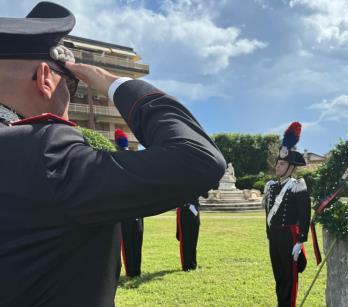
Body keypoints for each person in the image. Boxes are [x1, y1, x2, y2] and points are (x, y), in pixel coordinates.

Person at [0, 2, 226, 306]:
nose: (72, 95)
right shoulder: (45, 151)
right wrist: (113, 83)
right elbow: (199, 159)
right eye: (73, 86)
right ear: (45, 78)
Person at [263, 122, 311, 307]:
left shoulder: (297, 185)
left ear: (291, 167)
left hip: (289, 236)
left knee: (290, 277)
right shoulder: (271, 186)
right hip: (274, 236)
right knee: (279, 275)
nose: (278, 166)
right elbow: (267, 213)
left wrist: (300, 240)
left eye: (282, 163)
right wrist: (268, 234)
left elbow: (305, 214)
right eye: (278, 162)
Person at [115, 129, 144, 277]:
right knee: (137, 240)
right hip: (138, 208)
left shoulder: (115, 159)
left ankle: (131, 271)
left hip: (125, 208)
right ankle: (137, 270)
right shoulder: (137, 159)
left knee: (127, 242)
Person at [176, 196, 202, 271]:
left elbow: (205, 195)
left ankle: (193, 264)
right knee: (185, 240)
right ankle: (186, 265)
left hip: (195, 211)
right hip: (184, 210)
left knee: (194, 240)